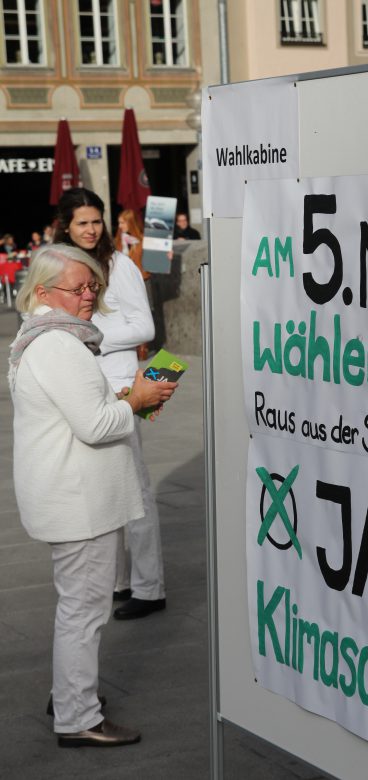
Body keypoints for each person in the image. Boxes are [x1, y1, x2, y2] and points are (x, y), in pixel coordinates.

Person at [9, 243, 177, 746]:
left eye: (93, 287)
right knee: (84, 610)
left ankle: (70, 696)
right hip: (78, 499)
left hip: (69, 493)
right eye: (78, 288)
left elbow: (82, 410)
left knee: (78, 606)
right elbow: (95, 424)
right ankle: (78, 717)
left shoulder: (43, 334)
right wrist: (138, 400)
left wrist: (129, 398)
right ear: (43, 292)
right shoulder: (59, 344)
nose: (89, 296)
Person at [54, 187, 168, 620]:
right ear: (66, 224)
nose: (90, 229)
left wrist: (90, 337)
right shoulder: (62, 264)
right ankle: (120, 581)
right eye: (82, 222)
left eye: (96, 221)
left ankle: (149, 585)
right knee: (101, 487)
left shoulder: (118, 265)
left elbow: (144, 326)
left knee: (134, 487)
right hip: (78, 385)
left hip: (121, 386)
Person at [114, 209, 150, 360]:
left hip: (142, 281)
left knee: (143, 314)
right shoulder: (119, 241)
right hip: (123, 283)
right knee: (126, 314)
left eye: (123, 222)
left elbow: (152, 264)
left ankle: (143, 348)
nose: (120, 226)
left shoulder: (143, 241)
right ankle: (132, 346)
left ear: (131, 222)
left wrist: (165, 256)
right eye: (119, 223)